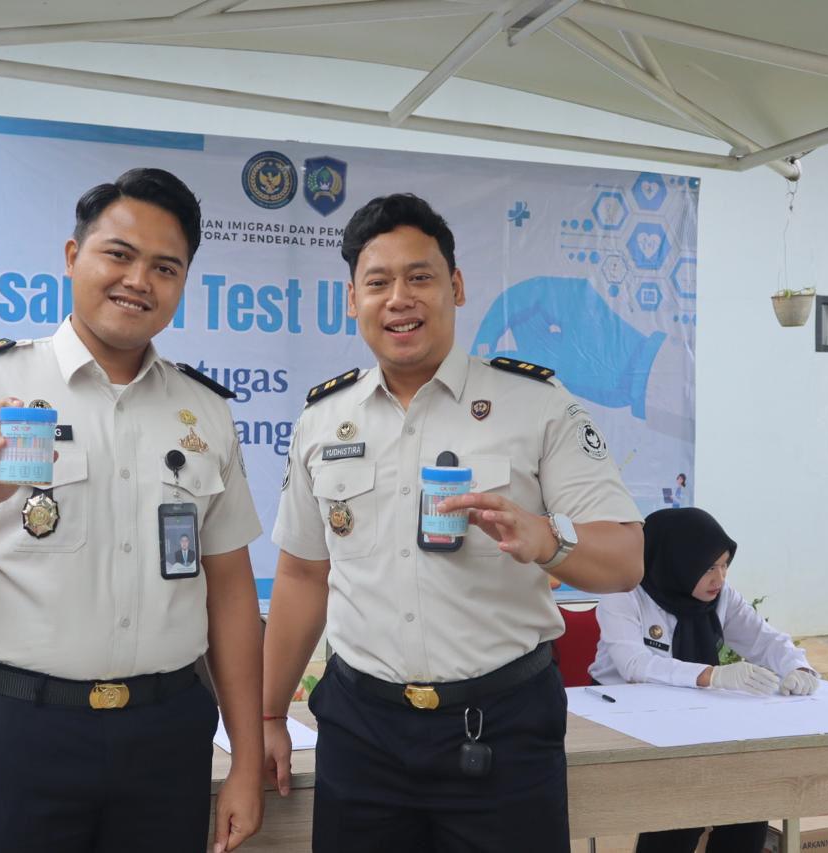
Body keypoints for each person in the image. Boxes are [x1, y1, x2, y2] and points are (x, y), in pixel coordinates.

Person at [0, 168, 264, 853]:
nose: (138, 280)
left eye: (165, 267)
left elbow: (230, 590)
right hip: (19, 736)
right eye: (119, 254)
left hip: (167, 738)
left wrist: (245, 759)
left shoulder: (204, 410)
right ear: (71, 256)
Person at [262, 193, 645, 853]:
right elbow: (301, 574)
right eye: (378, 283)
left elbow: (626, 558)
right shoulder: (323, 421)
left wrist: (547, 540)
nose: (399, 299)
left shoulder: (537, 405)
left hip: (501, 729)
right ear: (352, 299)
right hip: (361, 733)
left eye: (420, 277)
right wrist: (270, 713)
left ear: (457, 287)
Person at [589, 507, 819, 853]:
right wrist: (712, 675)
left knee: (749, 808)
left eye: (725, 565)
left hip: (694, 718)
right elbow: (634, 664)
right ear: (678, 562)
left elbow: (766, 640)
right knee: (683, 810)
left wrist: (799, 668)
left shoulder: (721, 597)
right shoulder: (623, 593)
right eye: (708, 567)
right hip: (623, 721)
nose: (720, 578)